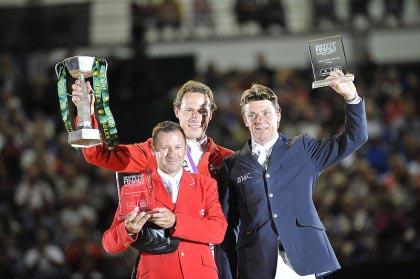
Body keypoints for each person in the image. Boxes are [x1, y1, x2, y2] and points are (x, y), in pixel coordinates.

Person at [218, 70, 368, 279]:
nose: (259, 119)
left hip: (301, 260)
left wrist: (351, 98)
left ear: (278, 114)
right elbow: (227, 227)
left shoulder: (303, 148)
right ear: (244, 119)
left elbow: (355, 138)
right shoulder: (232, 164)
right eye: (252, 115)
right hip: (257, 263)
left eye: (266, 113)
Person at [102, 121, 227, 279]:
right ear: (154, 150)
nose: (172, 153)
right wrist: (128, 230)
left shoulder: (205, 184)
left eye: (177, 147)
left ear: (185, 149)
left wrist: (176, 221)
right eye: (165, 147)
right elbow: (109, 244)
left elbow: (218, 231)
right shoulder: (134, 189)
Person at [71, 79, 232, 179]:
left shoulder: (227, 160)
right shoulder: (154, 151)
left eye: (203, 111)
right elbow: (98, 155)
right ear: (177, 111)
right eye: (189, 110)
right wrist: (85, 112)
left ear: (211, 114)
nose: (196, 117)